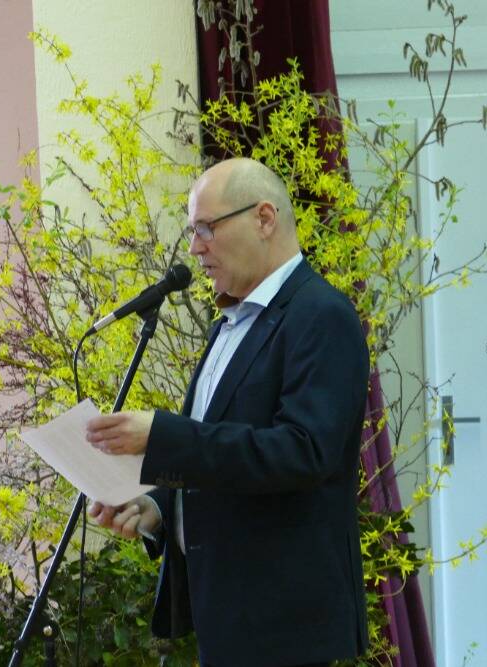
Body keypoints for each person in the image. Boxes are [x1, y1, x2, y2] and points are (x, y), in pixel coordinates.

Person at [85, 157, 370, 667]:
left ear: (264, 218)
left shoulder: (321, 315)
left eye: (206, 228)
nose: (196, 248)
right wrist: (158, 507)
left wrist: (162, 435)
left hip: (285, 627)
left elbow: (304, 451)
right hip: (227, 617)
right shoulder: (230, 323)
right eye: (192, 232)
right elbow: (221, 452)